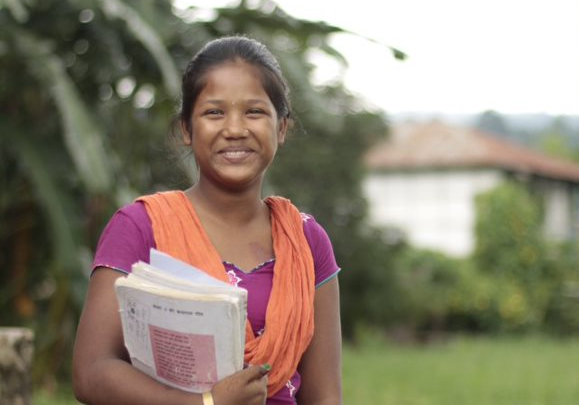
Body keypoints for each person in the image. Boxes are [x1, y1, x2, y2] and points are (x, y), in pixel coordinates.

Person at [72, 35, 342, 405]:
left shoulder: (307, 241)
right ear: (186, 128)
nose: (234, 128)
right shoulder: (140, 227)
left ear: (281, 128)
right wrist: (207, 403)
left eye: (254, 112)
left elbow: (325, 396)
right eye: (214, 112)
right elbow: (92, 372)